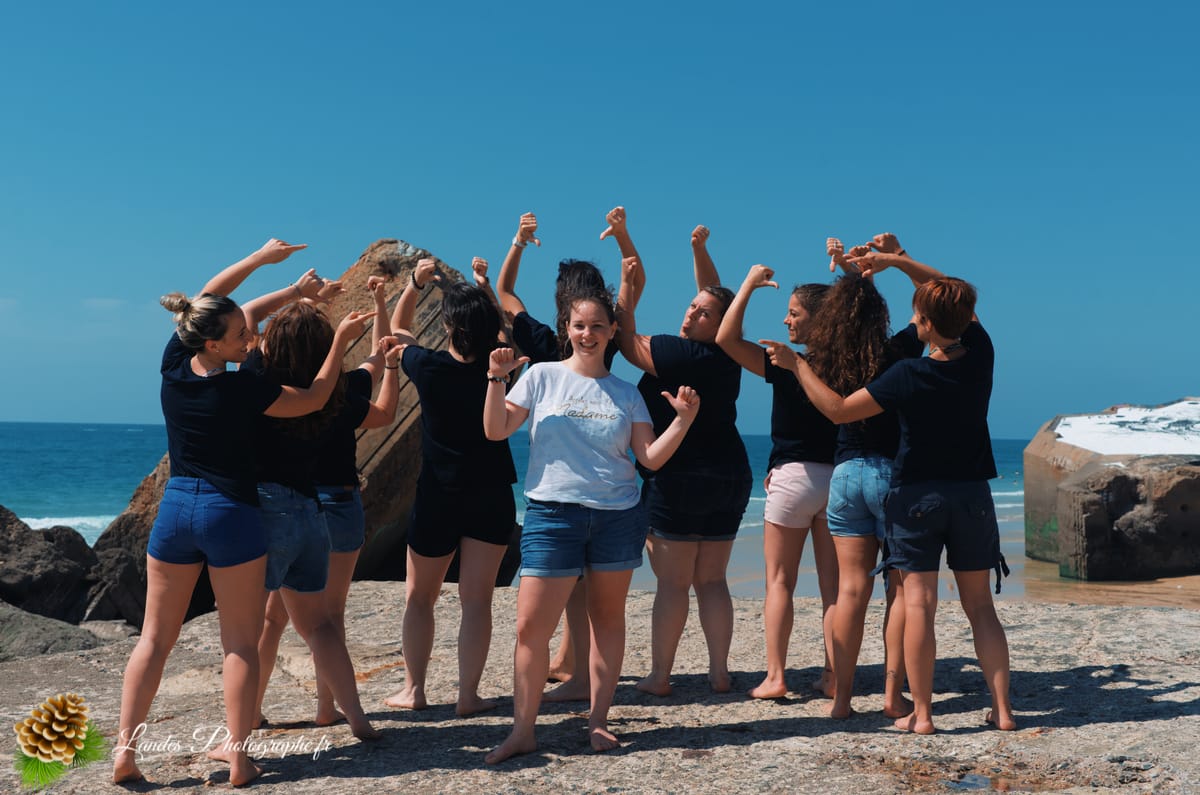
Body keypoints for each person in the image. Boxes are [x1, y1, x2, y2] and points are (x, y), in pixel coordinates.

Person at [113, 239, 363, 786]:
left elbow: (210, 297)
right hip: (231, 513)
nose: (250, 339)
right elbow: (315, 397)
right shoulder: (246, 387)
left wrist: (260, 263)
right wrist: (340, 343)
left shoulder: (174, 365)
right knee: (241, 644)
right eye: (240, 336)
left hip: (176, 509)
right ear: (213, 342)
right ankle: (239, 760)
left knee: (153, 639)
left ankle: (125, 754)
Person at [763, 250, 1015, 735]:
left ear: (926, 324)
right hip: (971, 495)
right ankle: (1002, 711)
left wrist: (797, 366)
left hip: (915, 496)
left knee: (916, 603)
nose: (912, 321)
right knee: (981, 607)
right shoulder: (981, 352)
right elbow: (952, 292)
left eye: (917, 315)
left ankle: (922, 715)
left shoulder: (908, 374)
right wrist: (897, 262)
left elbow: (839, 411)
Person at [482, 288, 700, 763]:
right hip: (551, 514)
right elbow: (496, 430)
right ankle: (523, 731)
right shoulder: (541, 376)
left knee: (606, 621)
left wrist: (682, 422)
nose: (588, 334)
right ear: (567, 328)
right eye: (580, 325)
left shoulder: (626, 393)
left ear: (612, 332)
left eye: (598, 326)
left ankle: (599, 721)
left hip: (616, 517)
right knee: (530, 627)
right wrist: (496, 379)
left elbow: (649, 459)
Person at [609, 209, 752, 696]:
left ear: (719, 323)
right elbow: (717, 297)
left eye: (702, 313)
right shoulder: (729, 353)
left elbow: (626, 340)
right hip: (730, 475)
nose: (691, 313)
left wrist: (625, 286)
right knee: (712, 581)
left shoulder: (679, 352)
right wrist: (699, 251)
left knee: (673, 584)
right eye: (691, 307)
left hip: (681, 478)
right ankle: (719, 673)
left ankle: (660, 676)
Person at [249, 275, 401, 728]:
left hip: (286, 507)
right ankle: (327, 708)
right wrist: (381, 315)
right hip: (340, 506)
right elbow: (380, 371)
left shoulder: (266, 389)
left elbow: (253, 324)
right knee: (328, 617)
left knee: (272, 619)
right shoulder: (343, 392)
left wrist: (303, 297)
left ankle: (250, 711)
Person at [801, 233, 933, 719]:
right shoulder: (897, 352)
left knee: (849, 591)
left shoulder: (824, 358)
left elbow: (850, 315)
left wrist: (851, 273)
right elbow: (933, 302)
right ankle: (892, 695)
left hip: (845, 475)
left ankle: (840, 699)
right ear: (881, 315)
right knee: (897, 590)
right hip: (889, 474)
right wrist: (896, 259)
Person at [382, 257, 518, 717]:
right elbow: (503, 334)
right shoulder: (502, 369)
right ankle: (468, 695)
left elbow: (399, 330)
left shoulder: (428, 366)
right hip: (491, 493)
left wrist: (414, 284)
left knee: (420, 597)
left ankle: (414, 689)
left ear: (449, 327)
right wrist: (485, 289)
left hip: (438, 494)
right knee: (477, 601)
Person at [494, 211, 617, 699]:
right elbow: (635, 287)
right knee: (586, 585)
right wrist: (625, 242)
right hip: (604, 483)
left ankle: (575, 666)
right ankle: (573, 661)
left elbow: (504, 292)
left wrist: (518, 242)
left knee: (566, 581)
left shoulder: (545, 345)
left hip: (559, 484)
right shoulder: (607, 338)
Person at [715, 264, 839, 700]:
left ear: (818, 320)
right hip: (837, 480)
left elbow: (726, 339)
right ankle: (833, 676)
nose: (786, 321)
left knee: (780, 581)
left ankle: (776, 676)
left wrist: (747, 285)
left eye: (794, 313)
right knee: (833, 589)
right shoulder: (850, 363)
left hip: (794, 478)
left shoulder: (787, 362)